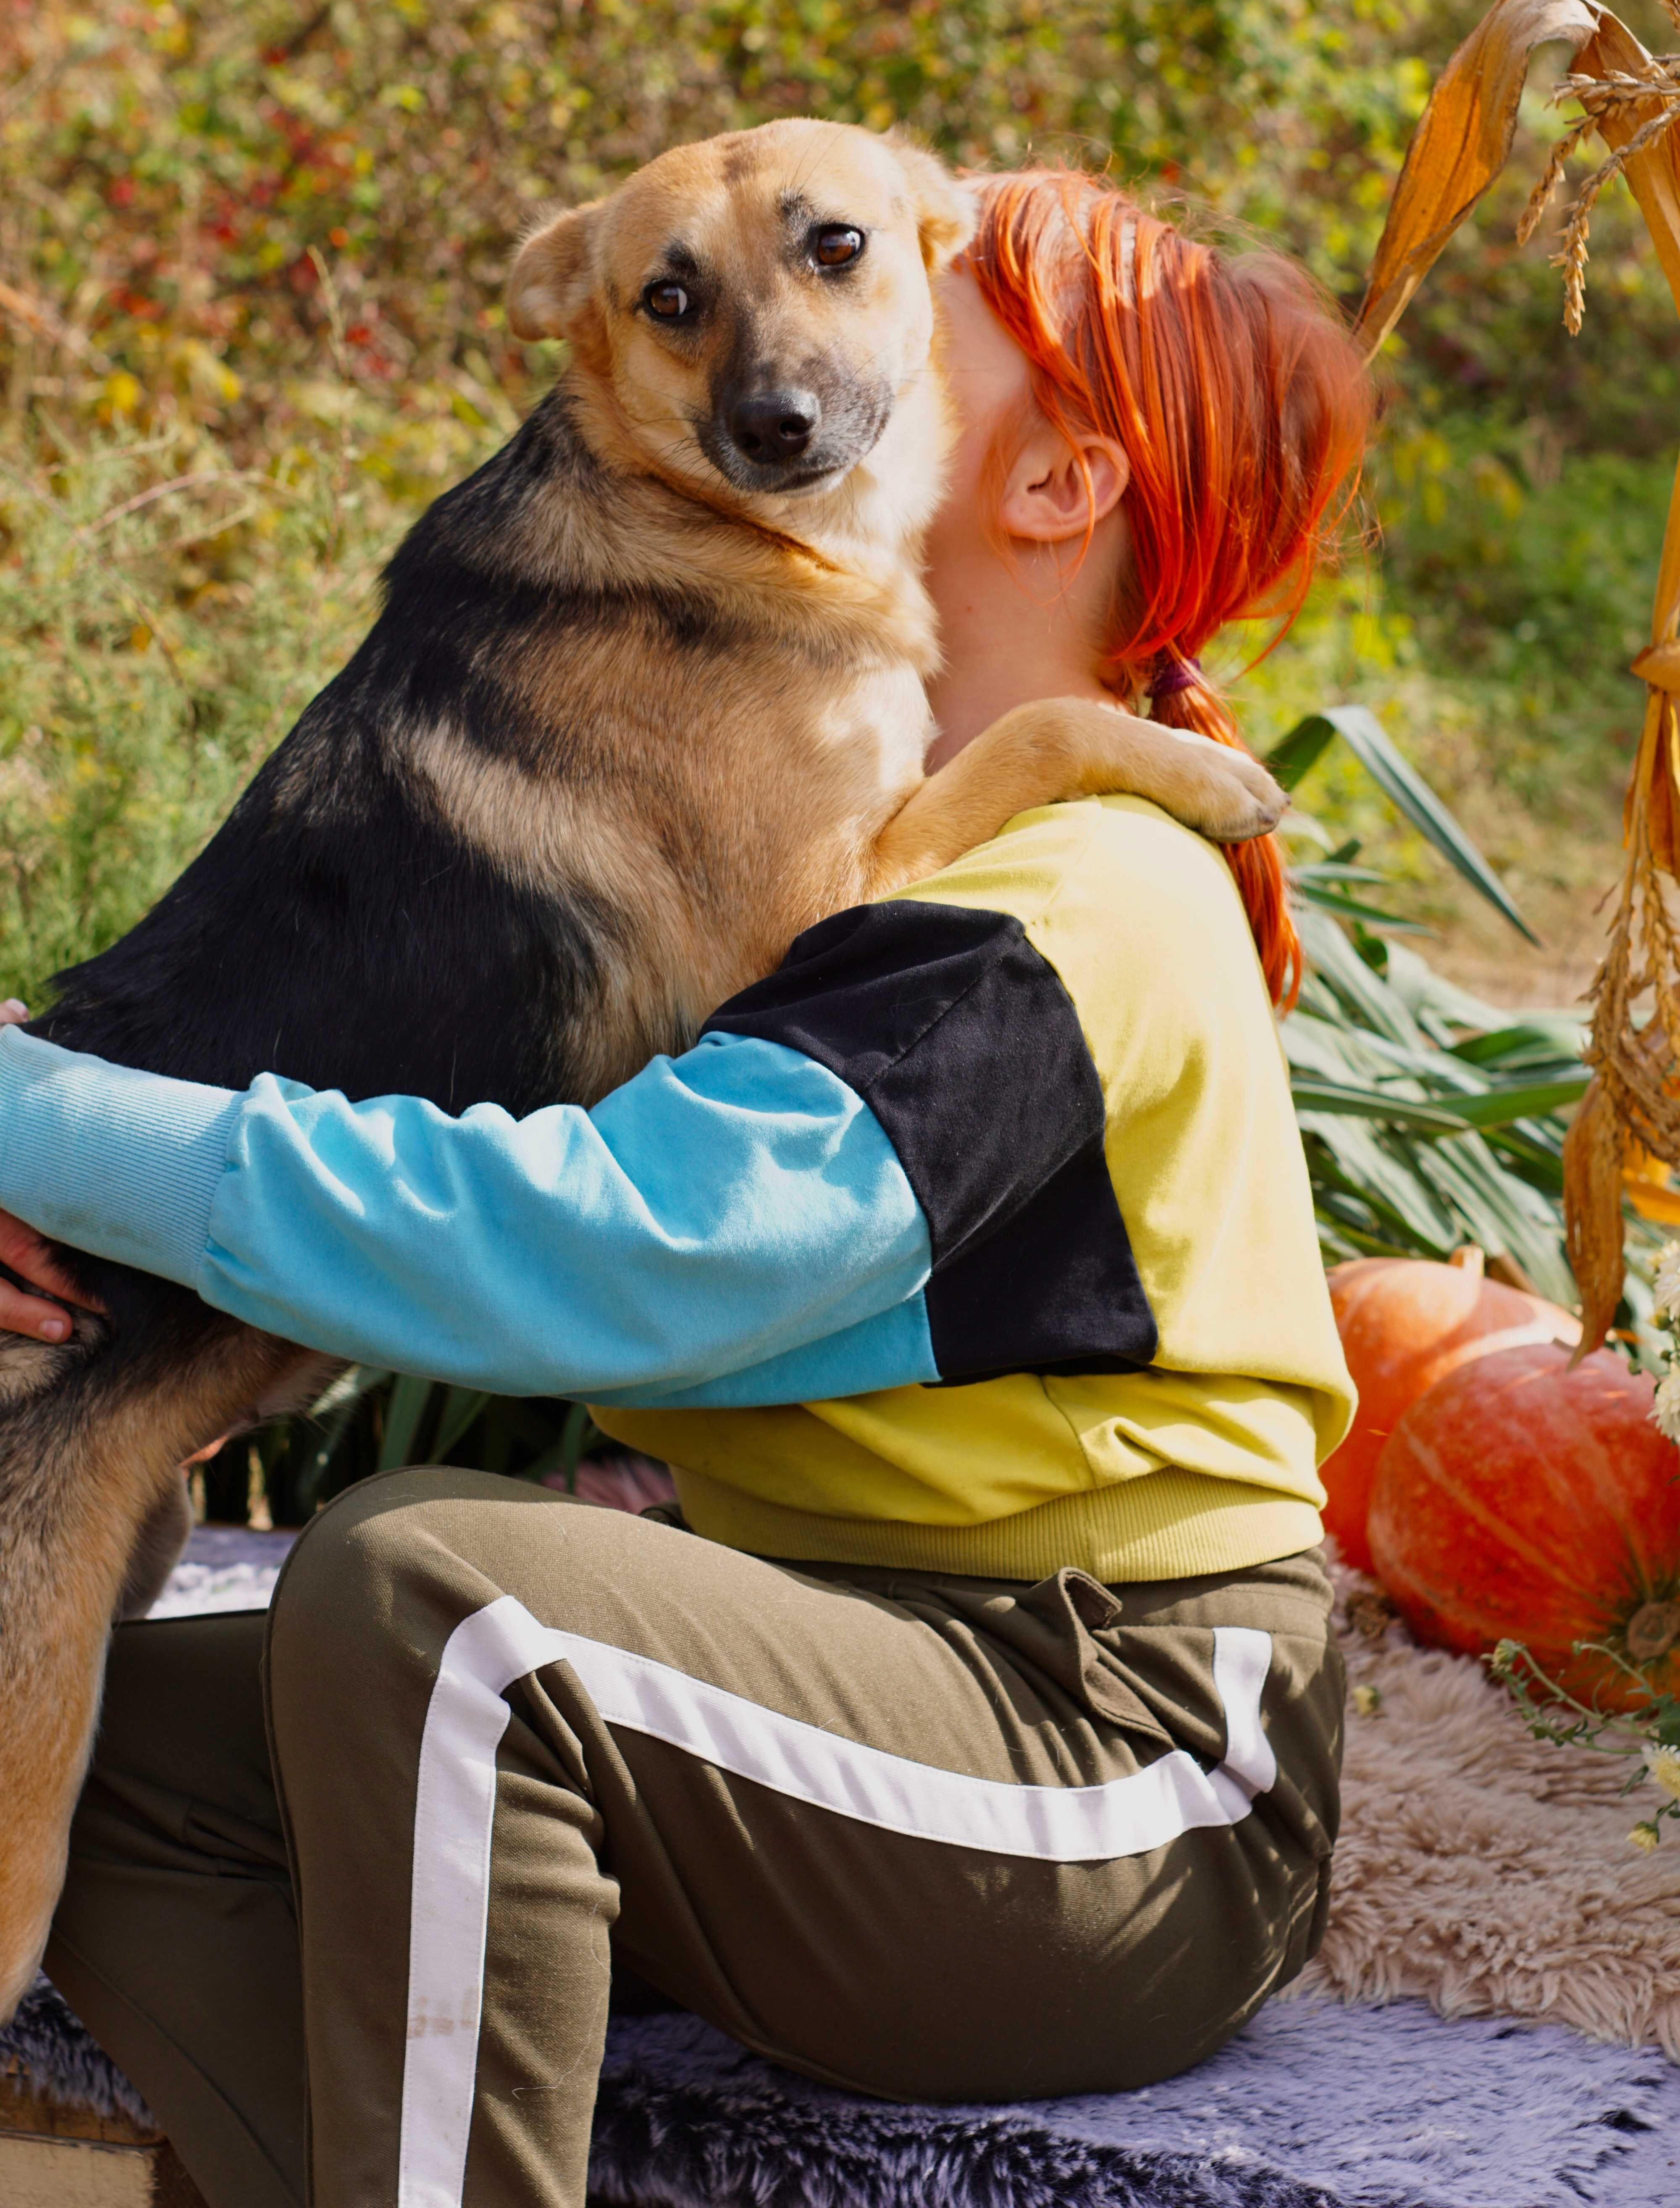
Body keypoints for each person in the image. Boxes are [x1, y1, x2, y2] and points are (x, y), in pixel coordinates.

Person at [0, 168, 1370, 2208]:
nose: (790, 342)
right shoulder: (769, 836)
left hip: (1117, 1771)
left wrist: (40, 1123)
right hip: (843, 1674)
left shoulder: (1075, 891)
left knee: (433, 1591)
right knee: (133, 1749)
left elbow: (615, 1255)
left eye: (905, 271)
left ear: (1063, 478)